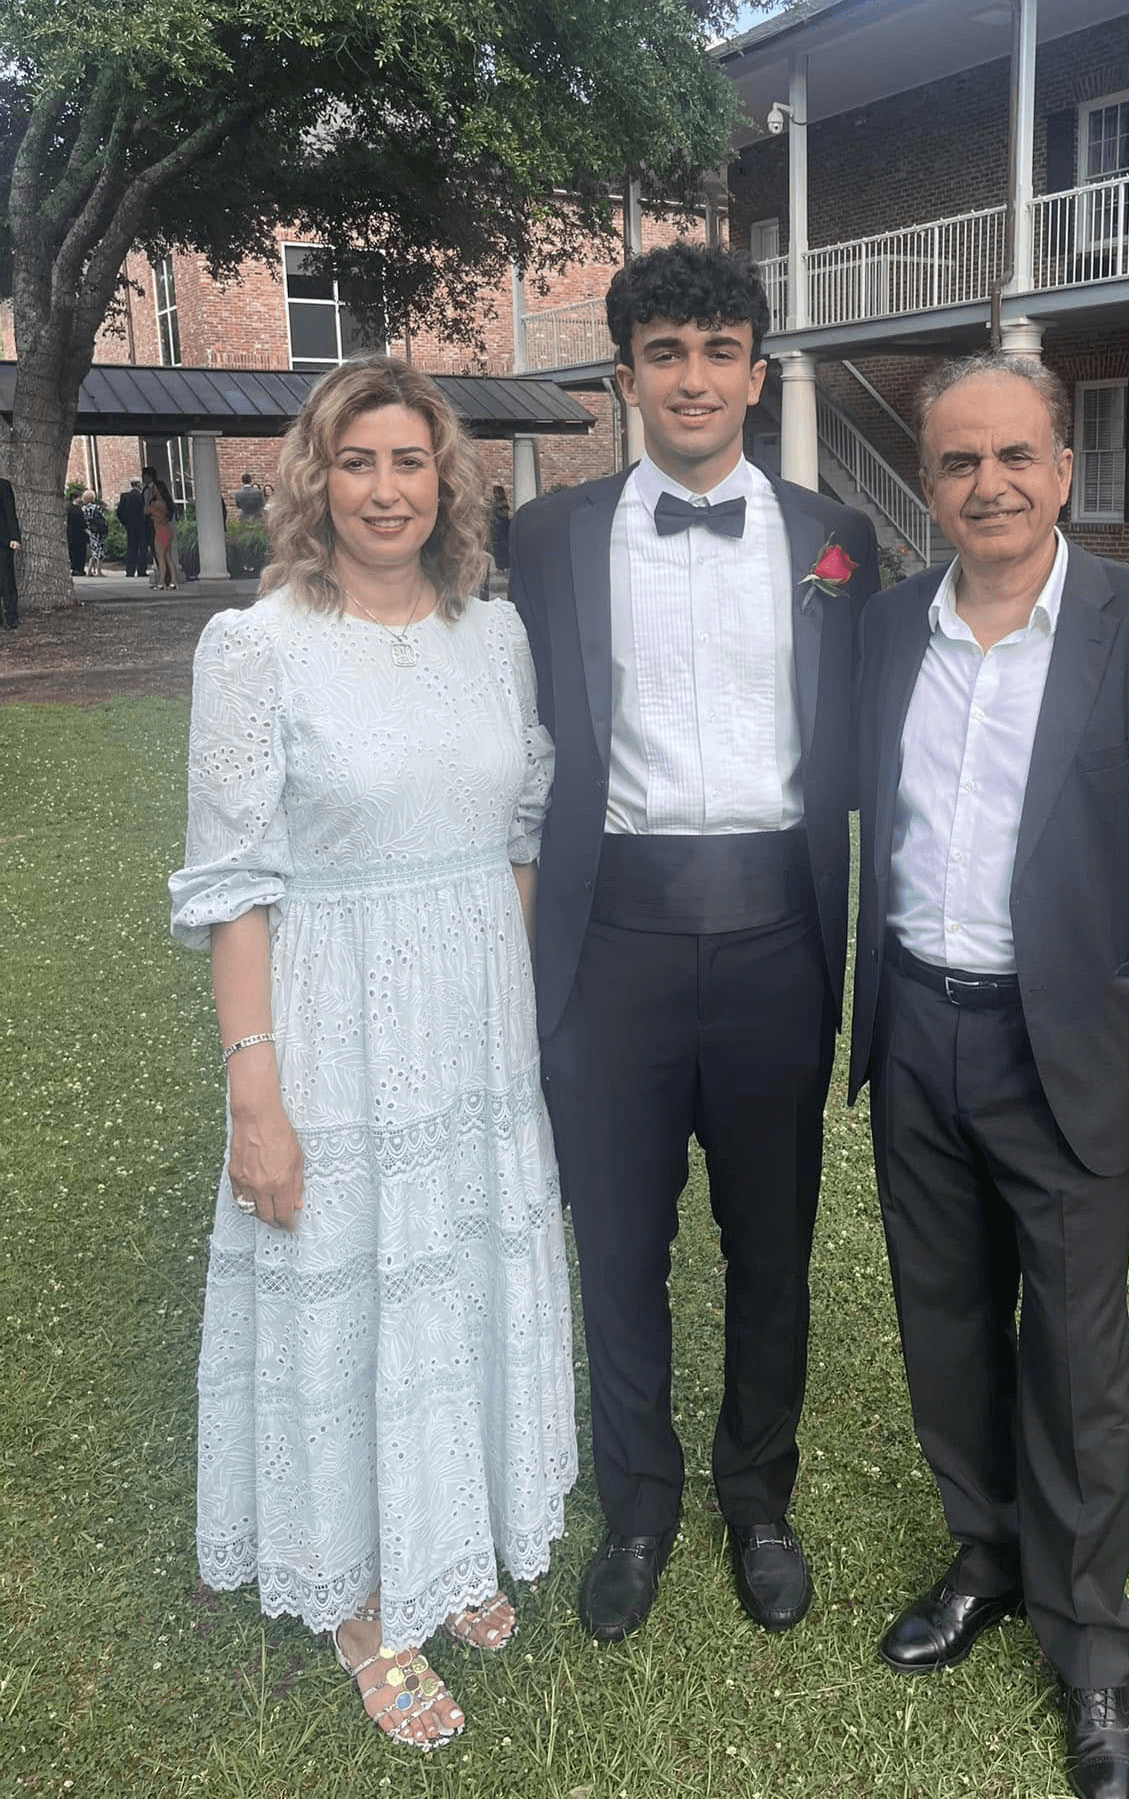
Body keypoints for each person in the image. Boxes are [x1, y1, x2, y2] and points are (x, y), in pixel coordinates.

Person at [851, 353, 1129, 1799]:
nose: (989, 486)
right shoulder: (890, 629)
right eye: (959, 463)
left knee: (1074, 1361)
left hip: (1070, 1047)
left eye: (1015, 456)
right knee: (944, 1321)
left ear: (1063, 469)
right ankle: (988, 1554)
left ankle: (1091, 1653)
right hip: (916, 1031)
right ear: (930, 478)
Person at [168, 356, 577, 1754]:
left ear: (446, 480)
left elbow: (516, 841)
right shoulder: (259, 648)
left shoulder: (496, 635)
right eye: (359, 463)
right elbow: (234, 888)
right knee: (355, 1304)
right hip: (335, 1029)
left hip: (474, 1025)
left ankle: (444, 1539)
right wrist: (255, 1093)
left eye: (411, 462)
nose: (387, 489)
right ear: (315, 481)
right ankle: (364, 1608)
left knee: (457, 1280)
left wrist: (504, 1023)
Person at [511, 243, 877, 1644]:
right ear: (624, 378)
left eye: (720, 351)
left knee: (772, 1241)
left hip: (783, 936)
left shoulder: (837, 535)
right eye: (665, 353)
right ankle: (642, 1502)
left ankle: (759, 1497)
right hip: (615, 946)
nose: (694, 379)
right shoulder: (550, 540)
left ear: (757, 373)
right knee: (619, 1241)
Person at [144, 467, 177, 591]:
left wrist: (149, 497)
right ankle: (173, 581)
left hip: (160, 531)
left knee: (160, 557)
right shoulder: (166, 505)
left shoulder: (155, 504)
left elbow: (145, 510)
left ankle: (161, 582)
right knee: (168, 557)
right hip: (167, 530)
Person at [117, 479, 148, 577]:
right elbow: (144, 511)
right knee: (142, 548)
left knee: (131, 548)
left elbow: (119, 512)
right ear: (138, 485)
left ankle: (130, 571)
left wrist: (125, 522)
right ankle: (141, 570)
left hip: (130, 526)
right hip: (141, 526)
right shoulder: (141, 496)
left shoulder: (125, 497)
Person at [0, 477, 20, 630]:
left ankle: (11, 616)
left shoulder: (3, 485)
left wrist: (14, 537)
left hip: (4, 541)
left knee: (7, 580)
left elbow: (10, 512)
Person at [81, 490, 108, 575]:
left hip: (89, 531)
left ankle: (89, 570)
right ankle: (99, 571)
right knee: (99, 550)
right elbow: (102, 517)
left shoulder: (83, 508)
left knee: (93, 551)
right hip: (97, 531)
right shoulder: (96, 507)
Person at [65, 488, 88, 576]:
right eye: (80, 497)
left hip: (72, 533)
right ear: (75, 498)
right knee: (79, 551)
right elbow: (81, 522)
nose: (81, 499)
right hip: (78, 533)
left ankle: (76, 568)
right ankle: (78, 569)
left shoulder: (70, 508)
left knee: (75, 551)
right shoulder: (76, 510)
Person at [490, 483, 512, 574]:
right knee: (497, 547)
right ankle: (499, 567)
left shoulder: (503, 503)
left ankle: (504, 566)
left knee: (502, 547)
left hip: (502, 526)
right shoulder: (495, 503)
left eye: (496, 493)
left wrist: (496, 509)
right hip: (496, 526)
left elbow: (505, 514)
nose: (495, 495)